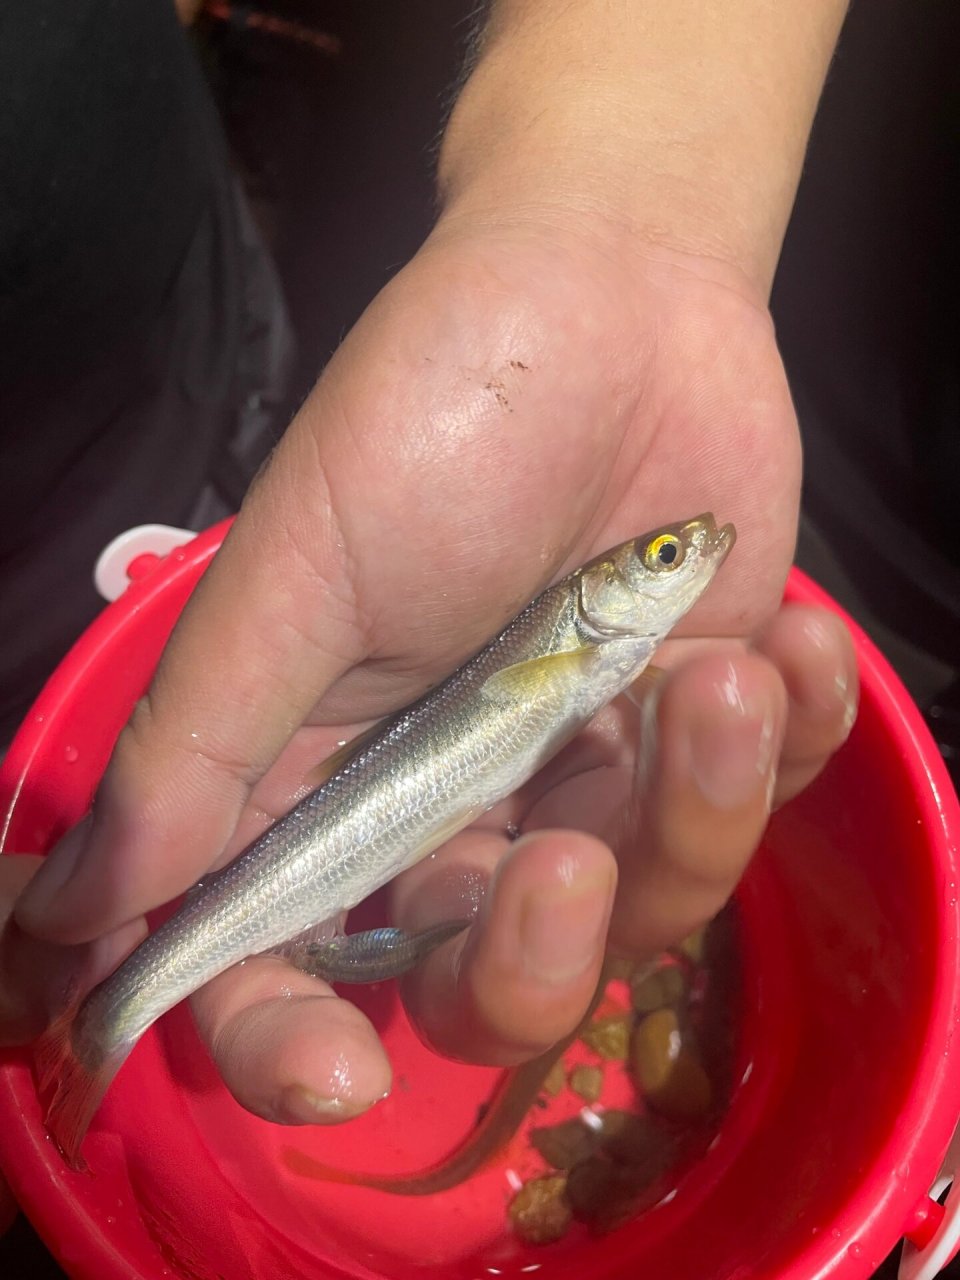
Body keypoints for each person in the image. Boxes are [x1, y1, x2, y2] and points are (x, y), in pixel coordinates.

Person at [0, 0, 861, 1239]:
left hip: (156, 314)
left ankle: (113, 1000)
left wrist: (633, 226)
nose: (686, 560)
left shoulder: (599, 646)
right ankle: (118, 1004)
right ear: (602, 602)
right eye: (666, 557)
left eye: (668, 555)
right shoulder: (588, 645)